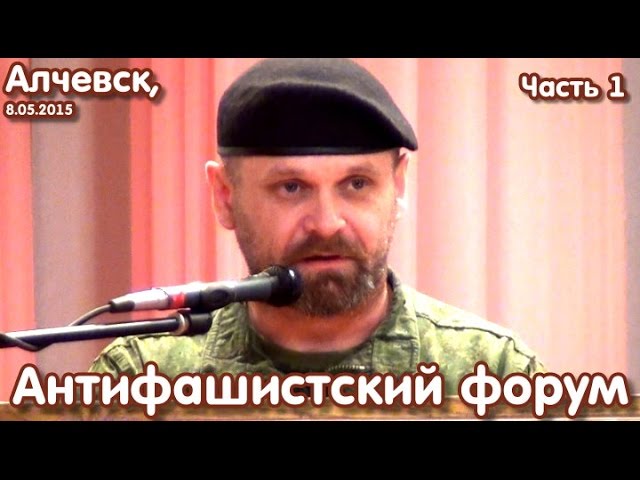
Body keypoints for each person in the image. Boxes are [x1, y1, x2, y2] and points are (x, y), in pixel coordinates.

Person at [89, 58, 545, 396]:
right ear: (225, 196)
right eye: (291, 188)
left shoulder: (490, 374)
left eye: (357, 184)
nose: (327, 223)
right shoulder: (142, 379)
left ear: (397, 185)